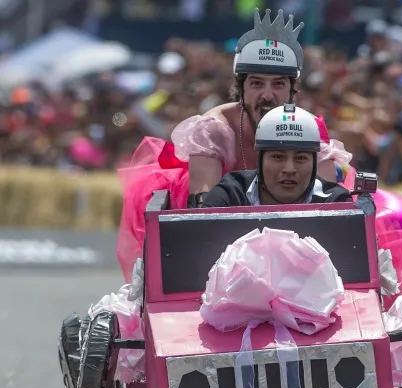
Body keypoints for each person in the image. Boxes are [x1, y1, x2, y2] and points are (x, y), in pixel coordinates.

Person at [115, 8, 352, 281]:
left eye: (278, 84)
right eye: (257, 83)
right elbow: (204, 214)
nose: (267, 95)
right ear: (241, 88)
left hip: (297, 243)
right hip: (227, 243)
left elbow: (327, 210)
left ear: (291, 90)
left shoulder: (308, 127)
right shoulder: (214, 129)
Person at [202, 104, 352, 207]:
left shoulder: (337, 203)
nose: (289, 169)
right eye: (277, 157)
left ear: (314, 162)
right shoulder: (231, 194)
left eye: (300, 158)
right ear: (259, 158)